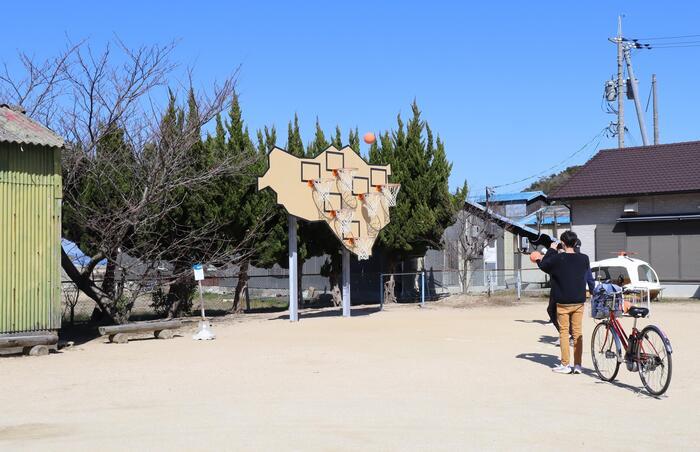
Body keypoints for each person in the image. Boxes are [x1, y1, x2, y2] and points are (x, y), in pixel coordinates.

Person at [537, 231, 596, 374]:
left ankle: (565, 364)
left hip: (563, 302)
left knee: (564, 333)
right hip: (579, 301)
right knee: (577, 333)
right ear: (576, 243)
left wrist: (551, 249)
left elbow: (544, 265)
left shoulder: (558, 258)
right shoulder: (584, 258)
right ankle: (578, 365)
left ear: (562, 243)